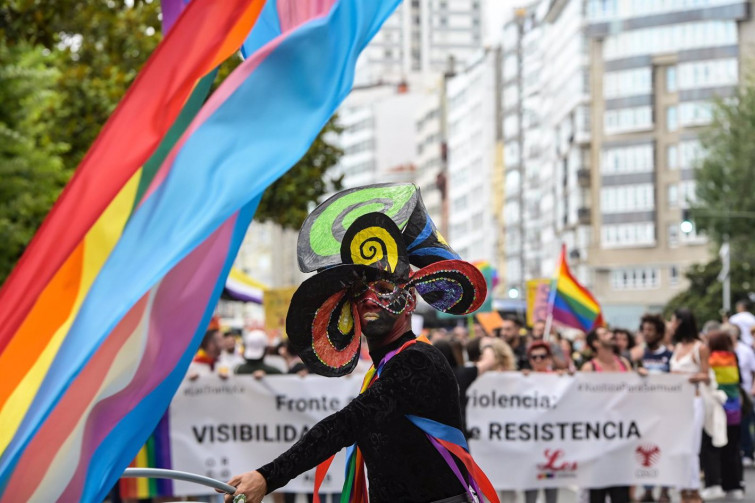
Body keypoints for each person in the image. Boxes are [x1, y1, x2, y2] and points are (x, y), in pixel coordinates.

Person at [222, 184, 495, 503]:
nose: (368, 298)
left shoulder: (419, 361)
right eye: (358, 292)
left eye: (381, 287)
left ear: (409, 302)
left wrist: (267, 477)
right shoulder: (383, 369)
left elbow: (346, 423)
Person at [581, 328, 631, 503]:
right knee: (598, 491)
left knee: (621, 492)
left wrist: (642, 379)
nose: (611, 334)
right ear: (596, 343)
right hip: (598, 438)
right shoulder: (590, 368)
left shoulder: (624, 364)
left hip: (621, 435)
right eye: (604, 334)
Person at [670, 308, 709, 503]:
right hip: (676, 402)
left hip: (693, 400)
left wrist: (683, 378)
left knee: (691, 447)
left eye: (673, 321)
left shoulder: (699, 347)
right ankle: (682, 488)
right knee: (677, 447)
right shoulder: (676, 346)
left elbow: (706, 375)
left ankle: (693, 489)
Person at [700, 330, 744, 500]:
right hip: (734, 409)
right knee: (732, 449)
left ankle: (714, 483)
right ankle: (734, 485)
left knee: (711, 448)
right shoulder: (733, 358)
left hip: (716, 409)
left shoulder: (710, 359)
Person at [637, 314, 673, 503]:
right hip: (644, 410)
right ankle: (648, 489)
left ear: (659, 332)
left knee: (664, 449)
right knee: (645, 450)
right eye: (644, 329)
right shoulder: (639, 355)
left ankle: (665, 489)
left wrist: (650, 374)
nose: (647, 333)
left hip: (665, 410)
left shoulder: (668, 355)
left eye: (650, 330)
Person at [521, 342, 559, 503]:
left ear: (549, 359)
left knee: (550, 487)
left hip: (551, 446)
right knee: (530, 491)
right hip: (530, 446)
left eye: (542, 356)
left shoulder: (559, 379)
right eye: (533, 357)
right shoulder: (521, 380)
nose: (537, 360)